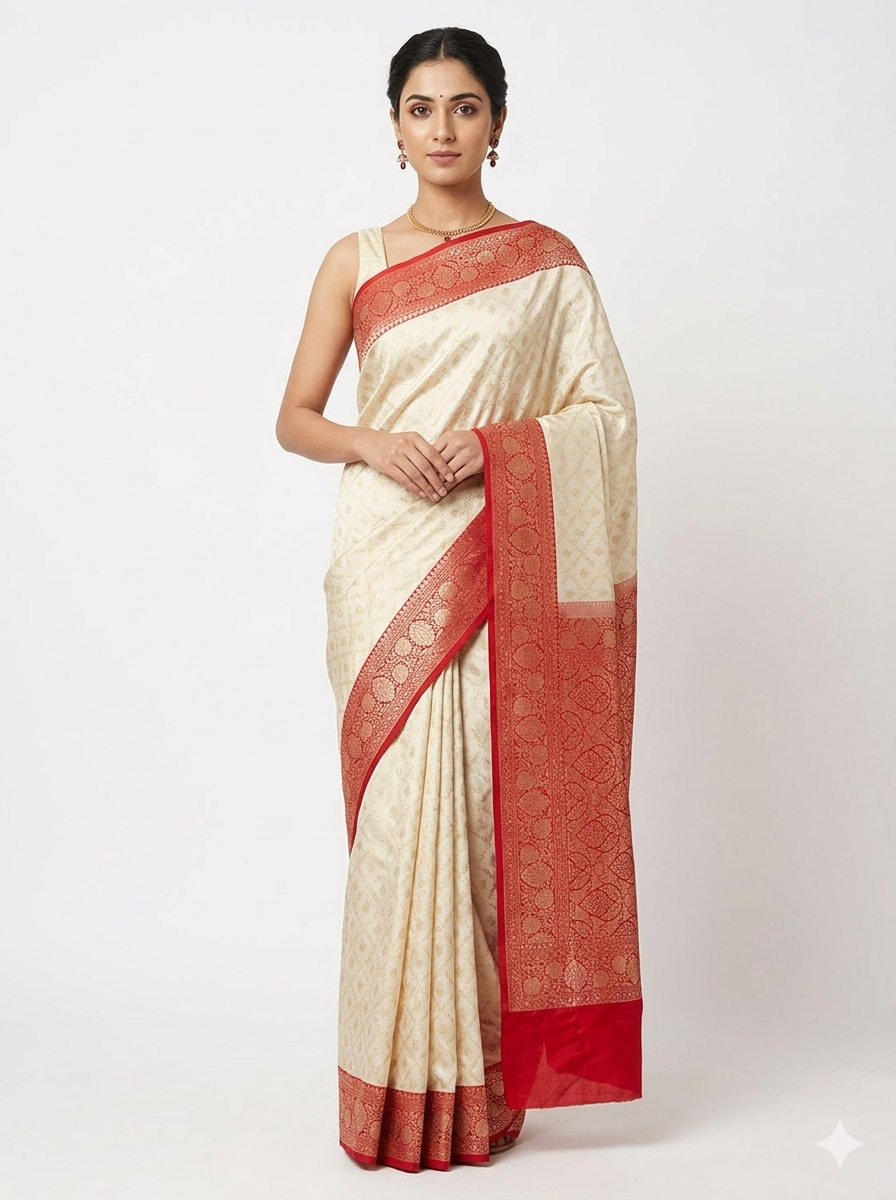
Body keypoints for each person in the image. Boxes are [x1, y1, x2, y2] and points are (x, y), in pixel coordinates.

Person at [276, 26, 642, 1173]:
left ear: (496, 121)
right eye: (421, 108)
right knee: (401, 831)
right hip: (388, 557)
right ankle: (389, 1097)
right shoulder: (355, 257)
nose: (442, 129)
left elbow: (604, 416)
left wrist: (494, 452)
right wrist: (378, 445)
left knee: (488, 819)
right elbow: (294, 416)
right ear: (392, 127)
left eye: (465, 107)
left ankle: (477, 1094)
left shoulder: (545, 262)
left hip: (501, 556)